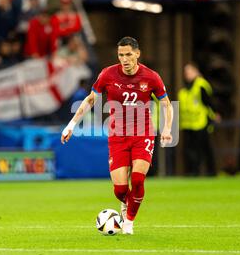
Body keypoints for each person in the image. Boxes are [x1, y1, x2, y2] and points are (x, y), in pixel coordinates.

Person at [60, 37, 173, 235]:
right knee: (120, 190)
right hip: (118, 136)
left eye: (129, 54)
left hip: (142, 134)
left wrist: (167, 129)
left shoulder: (151, 77)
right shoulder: (108, 74)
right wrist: (71, 125)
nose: (125, 59)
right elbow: (90, 100)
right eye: (121, 55)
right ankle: (126, 203)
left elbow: (166, 104)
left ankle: (129, 222)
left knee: (137, 180)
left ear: (137, 54)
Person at [178, 62, 220, 176]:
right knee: (190, 150)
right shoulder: (184, 89)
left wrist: (215, 113)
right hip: (188, 124)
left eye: (190, 71)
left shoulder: (201, 85)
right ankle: (193, 172)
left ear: (197, 71)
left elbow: (209, 101)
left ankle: (211, 172)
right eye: (186, 72)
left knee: (204, 148)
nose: (187, 74)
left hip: (201, 122)